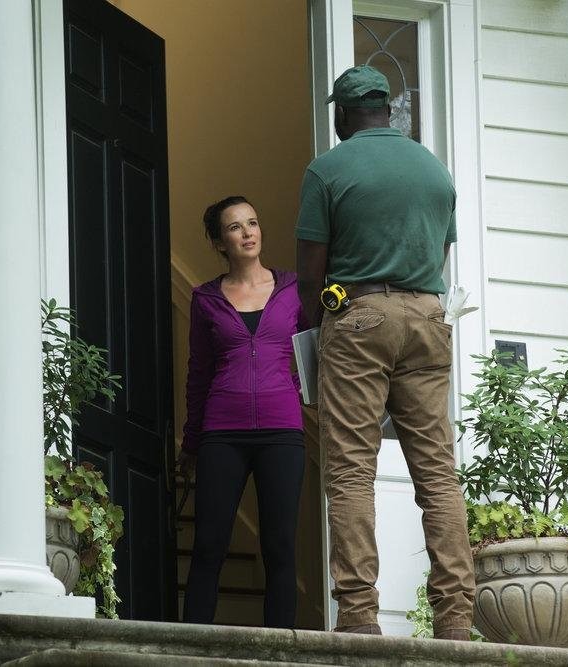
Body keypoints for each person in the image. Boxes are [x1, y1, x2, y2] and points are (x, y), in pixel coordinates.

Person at [295, 65, 475, 639]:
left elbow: (310, 273)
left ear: (344, 114)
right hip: (428, 316)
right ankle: (455, 619)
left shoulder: (327, 170)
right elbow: (440, 253)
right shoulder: (433, 170)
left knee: (350, 471)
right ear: (388, 110)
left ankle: (358, 619)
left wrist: (319, 332)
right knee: (438, 476)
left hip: (359, 316)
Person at [178, 195, 306, 628]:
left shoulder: (293, 289)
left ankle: (280, 650)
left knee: (279, 546)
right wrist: (191, 442)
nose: (248, 232)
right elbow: (198, 374)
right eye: (235, 227)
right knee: (210, 544)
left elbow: (317, 351)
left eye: (253, 222)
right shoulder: (205, 299)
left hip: (282, 432)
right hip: (222, 432)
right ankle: (194, 646)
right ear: (219, 242)